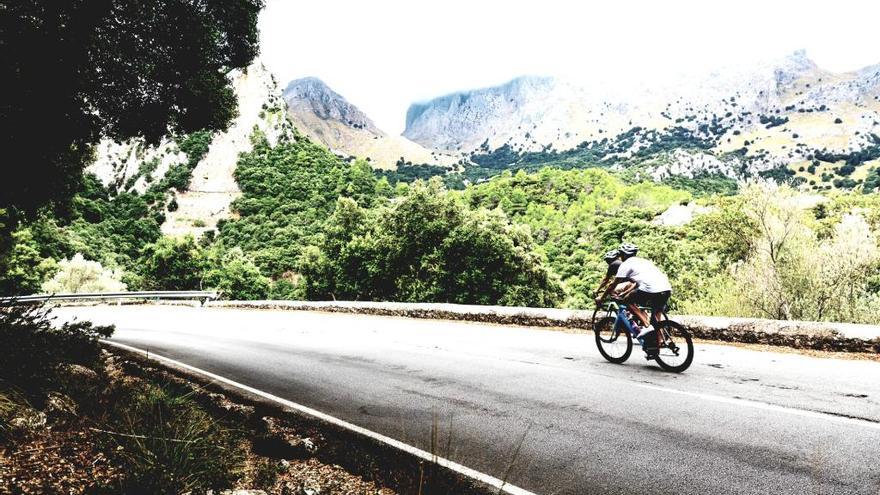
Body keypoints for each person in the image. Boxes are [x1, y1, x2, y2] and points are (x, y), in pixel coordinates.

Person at [597, 242, 672, 356]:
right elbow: (636, 283)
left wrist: (601, 298)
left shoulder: (625, 264)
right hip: (666, 288)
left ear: (623, 255)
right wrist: (627, 292)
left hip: (650, 289)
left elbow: (612, 285)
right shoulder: (643, 261)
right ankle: (659, 342)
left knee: (627, 301)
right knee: (656, 316)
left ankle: (646, 325)